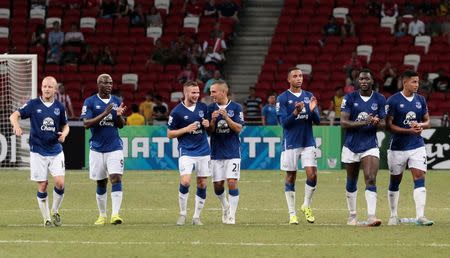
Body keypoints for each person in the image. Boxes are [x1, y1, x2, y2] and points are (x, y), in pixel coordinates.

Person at [9, 76, 70, 227]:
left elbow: (65, 125)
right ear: (41, 88)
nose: (46, 89)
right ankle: (46, 218)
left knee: (60, 183)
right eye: (44, 86)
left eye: (50, 87)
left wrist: (64, 134)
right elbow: (14, 115)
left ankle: (55, 211)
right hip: (37, 151)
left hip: (55, 150)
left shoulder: (59, 107)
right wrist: (16, 125)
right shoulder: (33, 104)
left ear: (55, 90)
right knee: (42, 185)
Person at [386, 70, 433, 226]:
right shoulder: (393, 100)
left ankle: (420, 216)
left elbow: (427, 122)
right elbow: (389, 125)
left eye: (418, 82)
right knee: (395, 181)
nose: (417, 85)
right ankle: (393, 215)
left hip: (416, 145)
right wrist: (409, 130)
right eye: (414, 82)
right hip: (398, 147)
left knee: (419, 177)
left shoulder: (421, 100)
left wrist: (420, 125)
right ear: (404, 82)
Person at [340, 69, 386, 226]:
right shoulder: (350, 98)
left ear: (372, 81)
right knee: (351, 181)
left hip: (369, 145)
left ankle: (372, 216)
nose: (364, 81)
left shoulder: (380, 99)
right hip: (351, 146)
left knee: (370, 178)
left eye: (367, 79)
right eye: (361, 79)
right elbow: (344, 123)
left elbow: (384, 124)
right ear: (357, 81)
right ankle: (352, 215)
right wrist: (365, 122)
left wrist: (376, 123)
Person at [80, 74, 127, 225]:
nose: (109, 85)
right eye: (106, 83)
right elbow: (86, 123)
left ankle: (115, 215)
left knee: (116, 178)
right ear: (98, 84)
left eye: (111, 83)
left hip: (114, 146)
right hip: (96, 148)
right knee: (101, 182)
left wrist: (118, 116)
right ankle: (102, 215)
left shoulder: (116, 101)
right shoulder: (90, 102)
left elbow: (120, 125)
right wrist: (105, 114)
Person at [276, 67, 320, 225]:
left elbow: (318, 121)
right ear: (289, 79)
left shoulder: (309, 96)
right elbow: (284, 124)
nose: (299, 78)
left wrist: (313, 111)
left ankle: (306, 205)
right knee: (291, 176)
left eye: (300, 76)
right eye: (295, 76)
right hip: (291, 142)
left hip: (308, 141)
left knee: (312, 175)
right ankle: (292, 214)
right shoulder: (282, 98)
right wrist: (296, 112)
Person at [167, 81, 211, 226]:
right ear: (185, 92)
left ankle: (196, 216)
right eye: (193, 92)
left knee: (202, 184)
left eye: (198, 92)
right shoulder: (177, 112)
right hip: (186, 151)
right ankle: (182, 213)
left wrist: (207, 124)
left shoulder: (203, 107)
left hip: (204, 150)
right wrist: (186, 129)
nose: (196, 95)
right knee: (185, 181)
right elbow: (170, 134)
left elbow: (209, 125)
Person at [206, 80, 244, 224]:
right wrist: (213, 121)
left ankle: (232, 216)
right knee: (218, 186)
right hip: (216, 153)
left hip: (233, 152)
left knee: (232, 182)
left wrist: (227, 117)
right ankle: (225, 206)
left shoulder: (236, 107)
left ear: (223, 92)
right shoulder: (210, 108)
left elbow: (238, 129)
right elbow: (209, 131)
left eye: (213, 91)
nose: (211, 94)